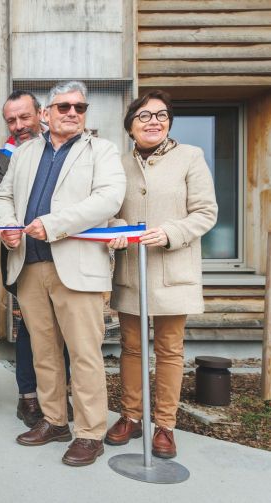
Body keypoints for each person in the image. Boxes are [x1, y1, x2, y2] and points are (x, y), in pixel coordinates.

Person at [0, 80, 126, 466]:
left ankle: (90, 432)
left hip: (77, 267)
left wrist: (52, 224)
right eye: (64, 107)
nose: (72, 113)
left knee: (84, 354)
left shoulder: (101, 150)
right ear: (47, 113)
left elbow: (108, 199)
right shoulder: (25, 152)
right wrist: (9, 224)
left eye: (79, 108)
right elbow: (2, 197)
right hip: (29, 265)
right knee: (43, 352)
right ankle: (55, 421)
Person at [105, 91, 217, 459]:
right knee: (131, 348)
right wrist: (117, 226)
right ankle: (131, 416)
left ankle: (165, 425)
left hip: (173, 270)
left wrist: (171, 232)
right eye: (145, 116)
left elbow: (205, 212)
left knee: (170, 351)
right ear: (130, 125)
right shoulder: (118, 164)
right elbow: (107, 209)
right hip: (131, 271)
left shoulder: (191, 157)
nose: (154, 121)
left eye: (162, 115)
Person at [0, 90, 72, 428]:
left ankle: (60, 396)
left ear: (41, 114)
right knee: (31, 329)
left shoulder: (68, 146)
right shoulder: (5, 156)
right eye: (11, 120)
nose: (18, 125)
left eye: (24, 117)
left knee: (66, 328)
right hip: (23, 255)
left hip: (67, 255)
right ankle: (28, 397)